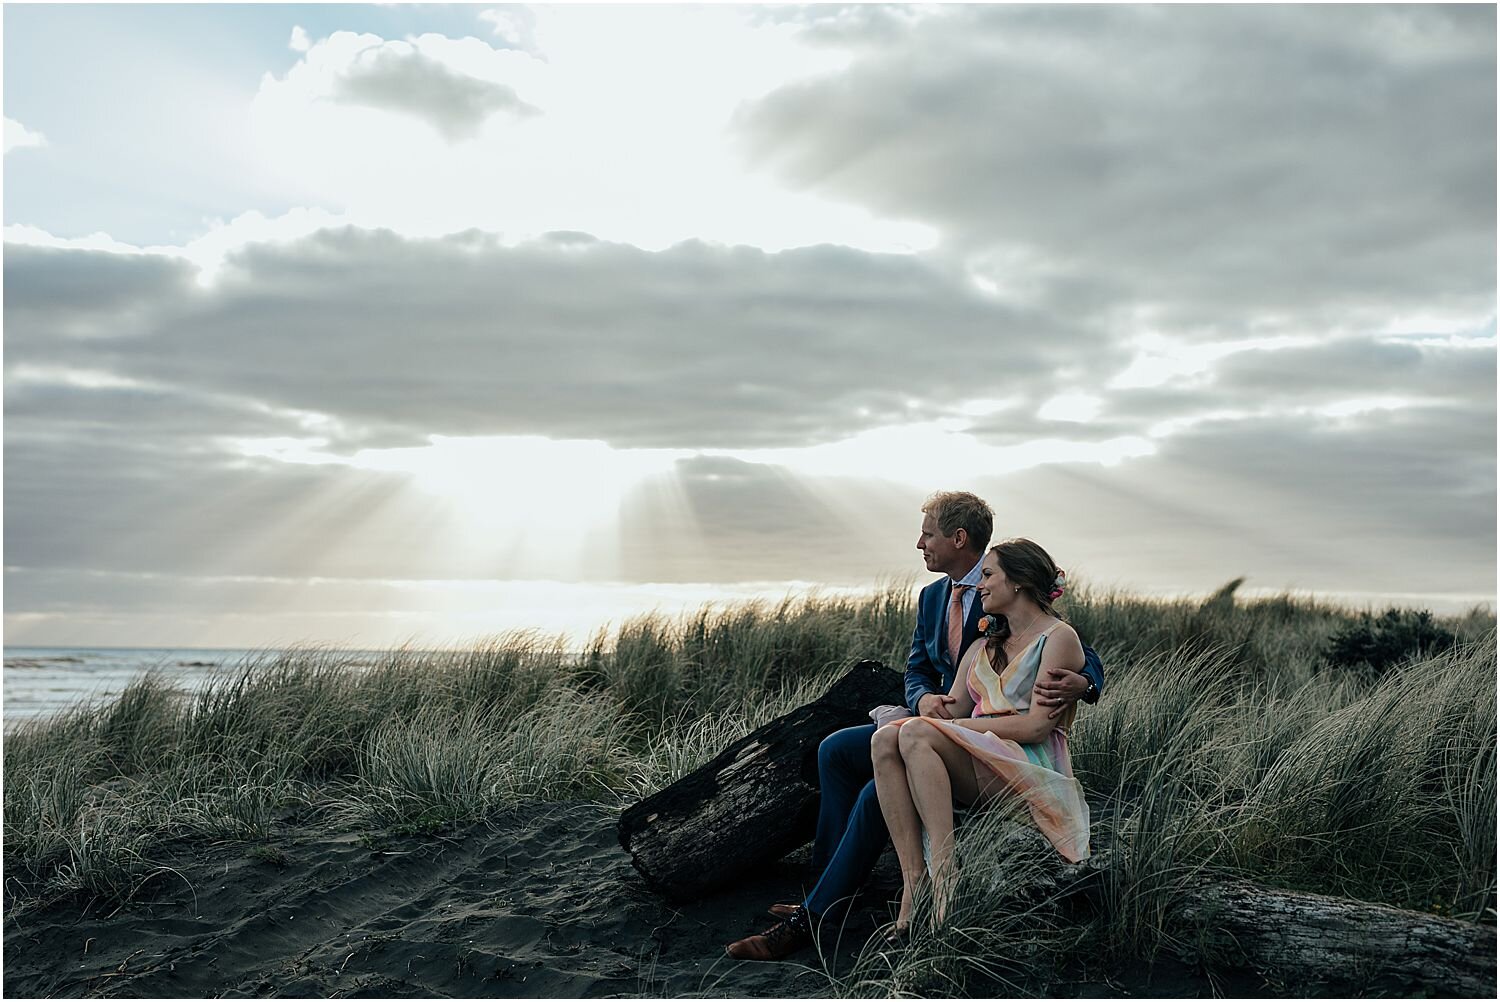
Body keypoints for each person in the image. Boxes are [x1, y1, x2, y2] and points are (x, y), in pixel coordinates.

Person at [725, 493, 1104, 961]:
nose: (919, 542)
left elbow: (1072, 654)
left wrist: (1086, 681)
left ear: (958, 538)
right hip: (947, 724)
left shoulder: (1024, 612)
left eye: (928, 533)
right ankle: (831, 883)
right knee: (837, 751)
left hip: (982, 743)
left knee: (876, 791)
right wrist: (924, 699)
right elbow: (919, 666)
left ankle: (830, 909)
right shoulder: (935, 599)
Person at [873, 538, 1090, 934]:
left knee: (918, 736)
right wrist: (928, 708)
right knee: (886, 739)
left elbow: (1036, 726)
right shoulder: (981, 646)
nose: (981, 585)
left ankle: (946, 875)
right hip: (980, 760)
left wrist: (947, 728)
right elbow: (953, 708)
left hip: (1029, 767)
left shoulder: (1059, 638)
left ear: (1019, 581)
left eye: (989, 575)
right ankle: (913, 881)